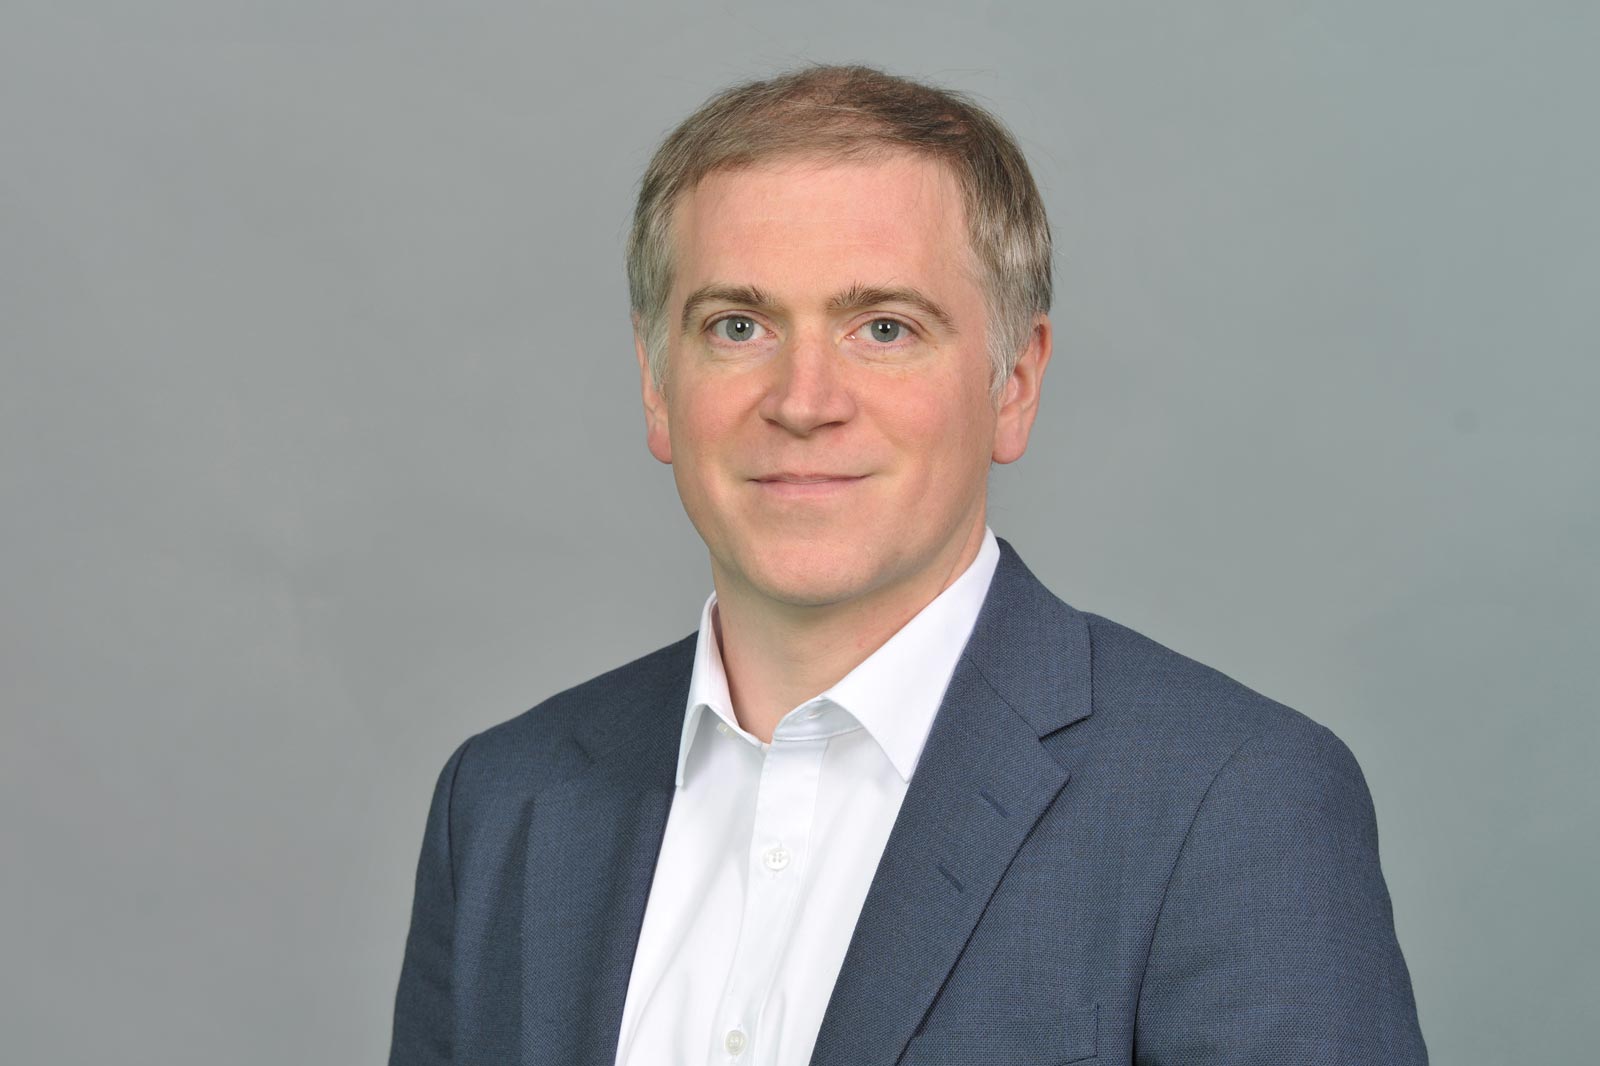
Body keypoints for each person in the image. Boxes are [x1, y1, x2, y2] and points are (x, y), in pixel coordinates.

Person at [388, 65, 1427, 1065]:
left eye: (883, 327)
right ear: (658, 385)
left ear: (1012, 385)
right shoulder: (503, 803)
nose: (803, 400)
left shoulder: (1230, 803)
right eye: (737, 325)